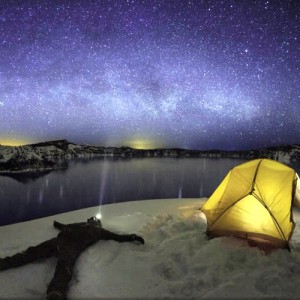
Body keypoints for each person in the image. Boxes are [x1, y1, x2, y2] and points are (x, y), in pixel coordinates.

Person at [0, 216, 145, 300]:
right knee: (31, 253)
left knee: (64, 268)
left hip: (71, 246)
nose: (92, 220)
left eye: (94, 220)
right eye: (92, 219)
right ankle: (4, 263)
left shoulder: (100, 231)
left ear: (97, 223)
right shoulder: (79, 224)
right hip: (58, 241)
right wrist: (56, 223)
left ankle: (55, 293)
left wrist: (132, 237)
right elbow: (63, 226)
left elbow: (117, 237)